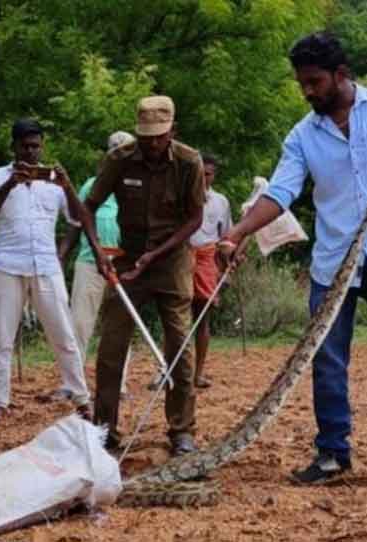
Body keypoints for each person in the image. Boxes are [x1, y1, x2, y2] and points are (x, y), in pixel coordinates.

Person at [220, 32, 367, 494]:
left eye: (314, 82)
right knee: (326, 360)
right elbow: (280, 192)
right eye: (301, 84)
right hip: (333, 264)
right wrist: (236, 232)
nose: (307, 91)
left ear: (341, 76)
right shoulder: (302, 134)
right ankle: (333, 453)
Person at [75, 96, 206, 456]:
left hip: (172, 260)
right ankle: (105, 429)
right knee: (111, 346)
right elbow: (86, 207)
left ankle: (182, 430)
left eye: (158, 137)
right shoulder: (119, 159)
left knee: (180, 344)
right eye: (145, 136)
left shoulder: (189, 162)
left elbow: (195, 219)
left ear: (172, 132)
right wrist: (99, 250)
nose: (150, 144)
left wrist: (157, 255)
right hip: (130, 261)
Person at [0, 118, 92, 424]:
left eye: (36, 146)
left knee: (63, 334)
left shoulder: (53, 181)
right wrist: (11, 183)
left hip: (46, 265)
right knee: (2, 336)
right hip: (7, 265)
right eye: (25, 146)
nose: (31, 153)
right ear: (14, 147)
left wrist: (68, 186)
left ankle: (81, 398)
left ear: (42, 147)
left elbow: (79, 219)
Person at [57, 131, 135, 400]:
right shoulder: (92, 185)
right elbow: (76, 222)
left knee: (120, 327)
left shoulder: (136, 185)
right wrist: (62, 253)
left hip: (124, 266)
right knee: (79, 324)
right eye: (116, 151)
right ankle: (72, 385)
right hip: (90, 263)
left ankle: (119, 385)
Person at [187, 153, 232, 389]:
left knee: (202, 317)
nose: (204, 178)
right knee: (175, 317)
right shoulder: (183, 195)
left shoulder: (221, 202)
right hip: (183, 258)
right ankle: (167, 371)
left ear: (214, 176)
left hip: (207, 260)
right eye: (200, 173)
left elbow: (225, 238)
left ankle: (198, 373)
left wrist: (226, 270)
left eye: (208, 174)